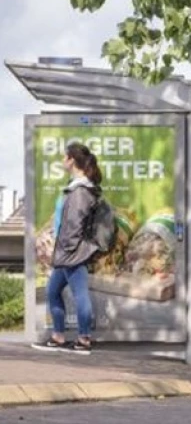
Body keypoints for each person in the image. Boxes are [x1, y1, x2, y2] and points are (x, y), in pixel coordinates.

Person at [31, 143, 104, 355]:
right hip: (65, 253)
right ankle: (58, 337)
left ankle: (83, 340)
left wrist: (68, 250)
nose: (63, 160)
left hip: (71, 253)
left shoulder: (80, 191)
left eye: (65, 157)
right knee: (53, 292)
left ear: (71, 160)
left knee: (80, 295)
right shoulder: (75, 187)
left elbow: (74, 225)